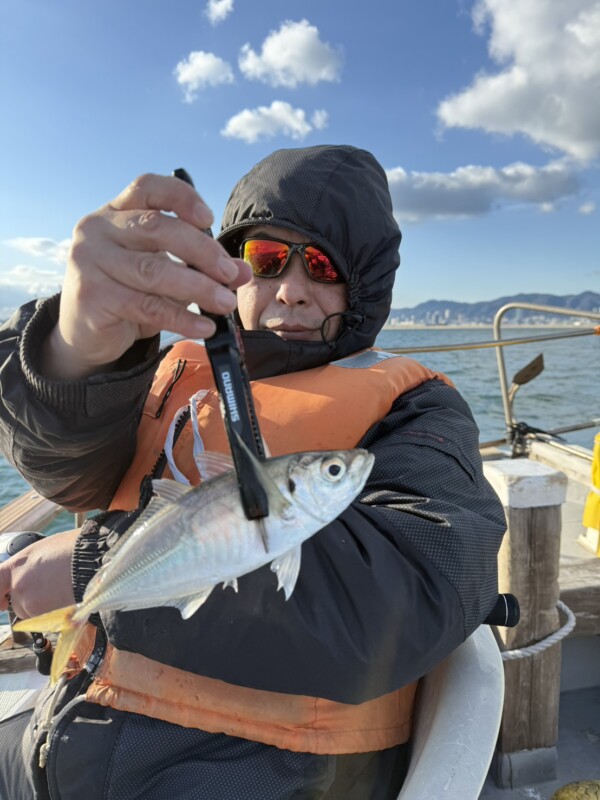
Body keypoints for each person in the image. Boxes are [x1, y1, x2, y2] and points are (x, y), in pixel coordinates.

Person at [0, 145, 506, 800]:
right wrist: (71, 355)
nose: (291, 289)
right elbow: (65, 476)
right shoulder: (161, 367)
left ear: (364, 287)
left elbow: (407, 599)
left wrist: (89, 567)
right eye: (267, 259)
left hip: (257, 775)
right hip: (59, 730)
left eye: (322, 266)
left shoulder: (415, 411)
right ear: (230, 269)